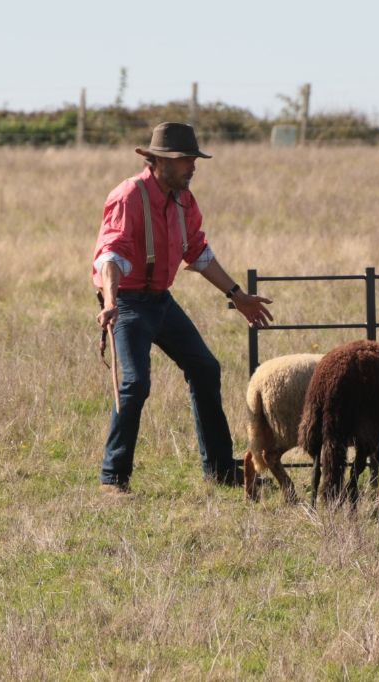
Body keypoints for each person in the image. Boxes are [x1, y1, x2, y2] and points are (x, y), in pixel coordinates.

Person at [92, 122, 273, 495]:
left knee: (205, 368)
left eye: (193, 159)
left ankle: (222, 471)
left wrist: (238, 295)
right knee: (135, 383)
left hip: (160, 301)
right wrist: (110, 302)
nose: (192, 167)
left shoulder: (183, 200)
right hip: (127, 303)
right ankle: (113, 479)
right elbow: (110, 254)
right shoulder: (130, 196)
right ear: (159, 161)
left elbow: (199, 253)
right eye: (185, 160)